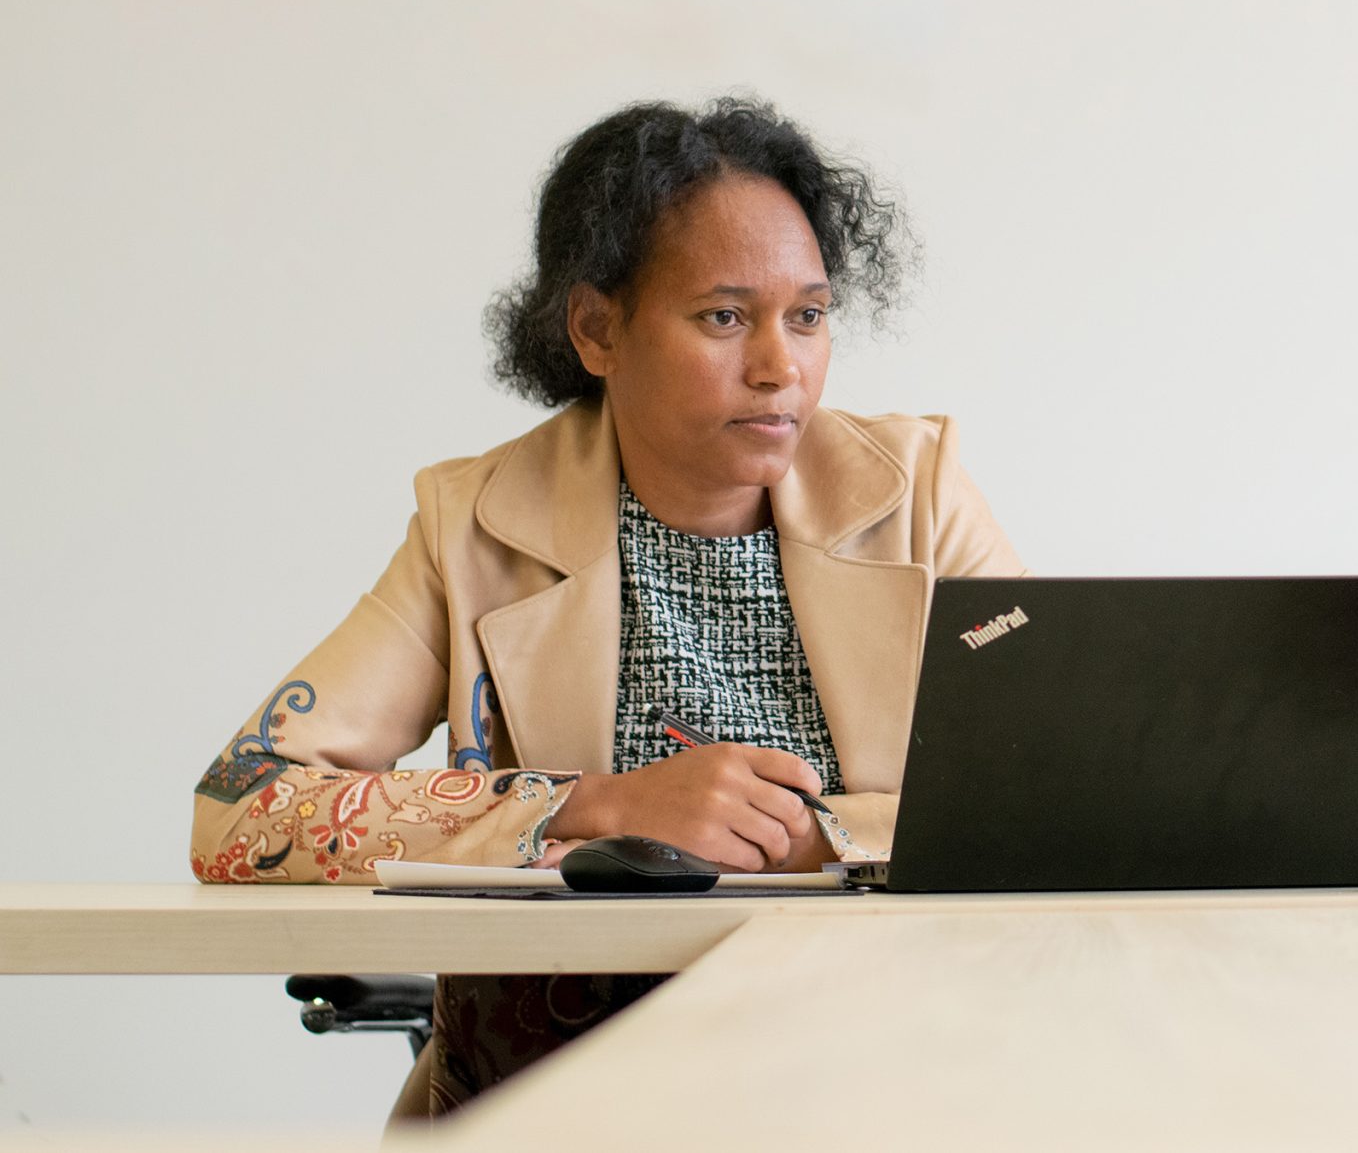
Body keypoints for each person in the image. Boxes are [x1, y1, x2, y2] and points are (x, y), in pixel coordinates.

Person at [189, 96, 1025, 1110]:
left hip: (882, 1085)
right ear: (596, 328)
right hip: (552, 1103)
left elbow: (1055, 795)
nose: (780, 367)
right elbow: (240, 809)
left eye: (807, 315)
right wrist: (596, 805)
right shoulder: (476, 523)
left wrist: (822, 838)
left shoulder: (917, 494)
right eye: (724, 316)